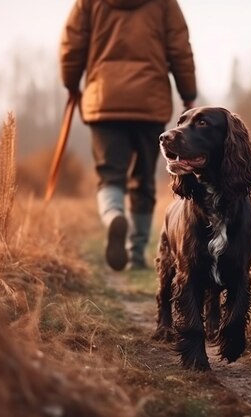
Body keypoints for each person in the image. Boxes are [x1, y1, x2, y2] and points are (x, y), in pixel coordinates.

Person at [60, 0, 197, 271]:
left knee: (110, 174)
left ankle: (113, 216)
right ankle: (136, 252)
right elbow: (180, 48)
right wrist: (188, 94)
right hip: (149, 102)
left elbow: (72, 45)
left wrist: (71, 83)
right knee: (143, 178)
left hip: (105, 100)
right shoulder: (164, 4)